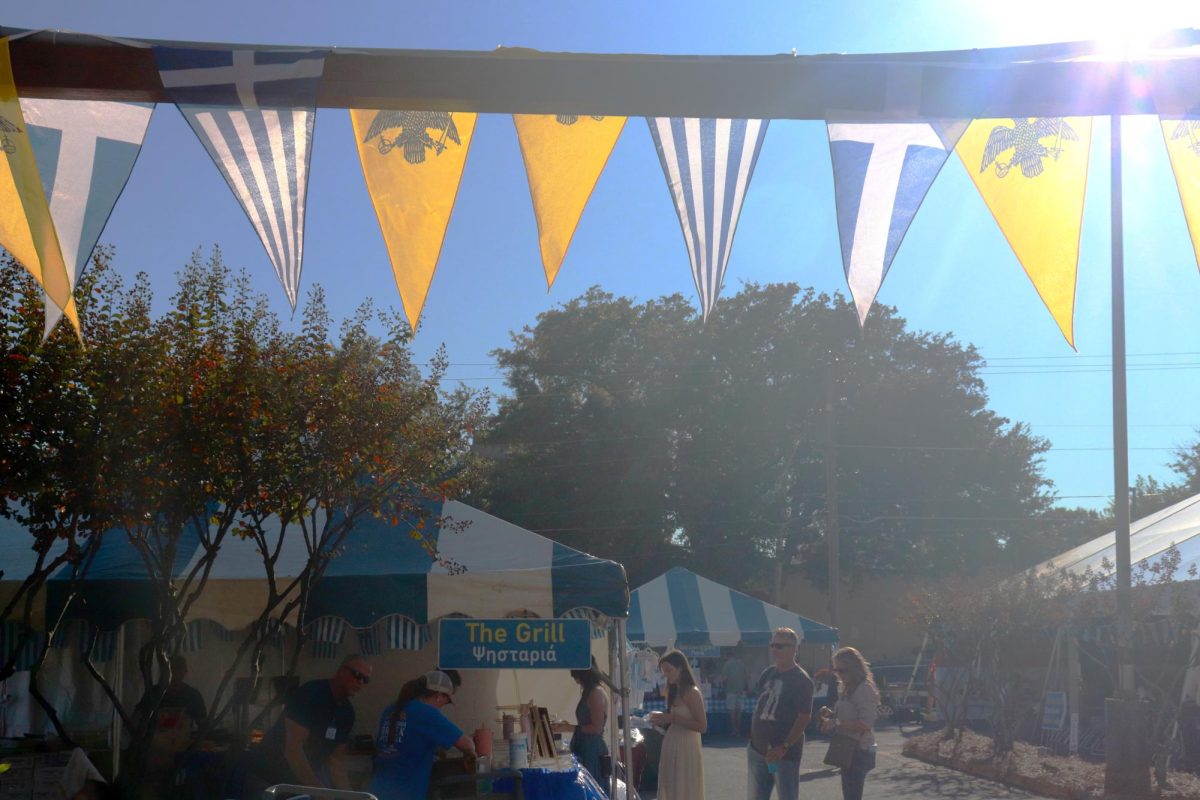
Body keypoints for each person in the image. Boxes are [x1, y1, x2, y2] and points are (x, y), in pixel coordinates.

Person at [244, 654, 372, 796]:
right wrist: (319, 791)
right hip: (266, 777)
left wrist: (350, 796)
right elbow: (293, 749)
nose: (360, 682)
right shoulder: (311, 693)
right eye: (357, 675)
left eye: (365, 680)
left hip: (296, 784)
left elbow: (336, 761)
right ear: (341, 671)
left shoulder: (347, 713)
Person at [370, 670, 477, 800]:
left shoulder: (390, 709)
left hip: (376, 792)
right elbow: (466, 744)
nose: (444, 705)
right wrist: (470, 753)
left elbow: (402, 743)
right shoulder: (427, 714)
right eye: (447, 700)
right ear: (438, 695)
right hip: (405, 793)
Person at [747, 627, 813, 800]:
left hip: (782, 754)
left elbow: (804, 717)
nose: (774, 650)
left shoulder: (801, 679)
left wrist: (784, 746)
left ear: (793, 649)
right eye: (773, 645)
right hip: (757, 750)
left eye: (780, 646)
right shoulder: (768, 673)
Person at [818, 647, 880, 800]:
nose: (839, 674)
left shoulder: (864, 688)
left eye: (842, 670)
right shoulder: (847, 688)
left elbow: (865, 724)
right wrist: (831, 715)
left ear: (854, 668)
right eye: (836, 670)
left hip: (859, 750)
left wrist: (835, 722)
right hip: (847, 748)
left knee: (852, 795)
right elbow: (848, 715)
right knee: (850, 794)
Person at [649, 650, 707, 800]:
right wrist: (662, 720)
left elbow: (702, 726)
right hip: (672, 743)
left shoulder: (692, 692)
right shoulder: (674, 690)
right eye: (663, 671)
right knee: (672, 788)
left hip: (686, 746)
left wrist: (672, 718)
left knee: (684, 789)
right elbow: (674, 718)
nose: (665, 674)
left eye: (669, 670)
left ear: (680, 668)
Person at [552, 659, 609, 785]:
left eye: (576, 676)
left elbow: (597, 728)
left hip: (593, 752)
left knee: (593, 786)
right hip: (584, 748)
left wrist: (570, 728)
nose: (575, 680)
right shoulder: (588, 692)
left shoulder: (596, 693)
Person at [721, 651, 750, 737]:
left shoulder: (727, 664)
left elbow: (724, 679)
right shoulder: (742, 664)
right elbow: (747, 676)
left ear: (728, 656)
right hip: (741, 691)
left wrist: (722, 685)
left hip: (730, 690)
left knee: (732, 712)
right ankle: (739, 730)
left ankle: (734, 730)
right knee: (739, 712)